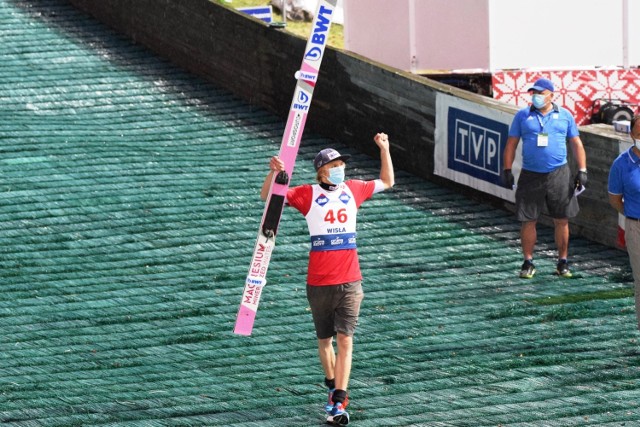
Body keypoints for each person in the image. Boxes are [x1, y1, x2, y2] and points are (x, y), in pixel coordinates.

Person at [260, 133, 394, 425]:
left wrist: (384, 149)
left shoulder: (354, 189)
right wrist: (273, 173)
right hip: (319, 282)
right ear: (321, 170)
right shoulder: (308, 193)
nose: (340, 168)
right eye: (334, 164)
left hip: (350, 281)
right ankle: (332, 386)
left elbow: (388, 181)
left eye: (342, 164)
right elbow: (268, 198)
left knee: (345, 339)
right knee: (325, 341)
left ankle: (339, 400)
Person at [502, 78, 588, 279]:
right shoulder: (523, 115)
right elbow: (511, 144)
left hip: (559, 173)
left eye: (540, 93)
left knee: (562, 219)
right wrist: (507, 169)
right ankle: (528, 261)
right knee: (528, 219)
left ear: (551, 94)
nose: (536, 96)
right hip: (531, 174)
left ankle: (563, 261)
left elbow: (576, 143)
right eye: (534, 93)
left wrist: (582, 170)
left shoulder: (565, 115)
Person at [608, 115, 640, 331]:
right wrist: (632, 216)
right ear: (631, 135)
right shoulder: (621, 164)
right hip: (636, 226)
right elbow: (615, 200)